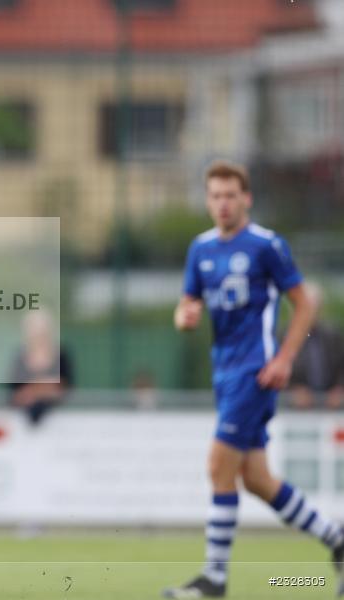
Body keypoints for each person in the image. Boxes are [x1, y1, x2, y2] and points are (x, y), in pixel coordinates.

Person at [164, 161, 344, 598]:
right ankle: (338, 541)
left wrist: (285, 358)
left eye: (230, 195)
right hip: (224, 373)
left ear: (245, 199)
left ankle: (215, 578)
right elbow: (187, 307)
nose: (223, 203)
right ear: (208, 200)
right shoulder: (200, 249)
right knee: (258, 480)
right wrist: (184, 318)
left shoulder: (267, 245)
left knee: (217, 467)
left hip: (256, 372)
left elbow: (303, 304)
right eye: (215, 196)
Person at [8, 310, 73, 424]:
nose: (38, 336)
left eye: (41, 332)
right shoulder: (20, 358)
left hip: (60, 421)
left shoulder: (61, 356)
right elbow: (14, 392)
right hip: (23, 423)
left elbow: (65, 387)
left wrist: (34, 389)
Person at [289, 282, 344, 410]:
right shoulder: (282, 339)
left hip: (331, 409)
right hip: (292, 411)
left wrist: (340, 388)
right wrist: (293, 390)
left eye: (312, 307)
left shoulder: (333, 336)